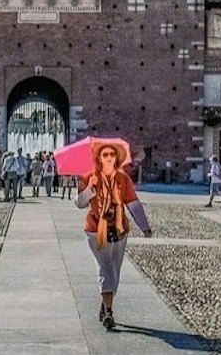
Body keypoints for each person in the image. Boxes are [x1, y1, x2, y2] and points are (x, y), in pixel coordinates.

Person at [77, 140, 152, 331]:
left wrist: (144, 226)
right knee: (105, 268)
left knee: (115, 271)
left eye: (112, 155)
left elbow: (133, 204)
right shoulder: (88, 177)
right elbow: (79, 203)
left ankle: (105, 303)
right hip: (96, 230)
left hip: (119, 231)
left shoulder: (123, 179)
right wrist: (89, 191)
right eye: (105, 155)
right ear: (99, 158)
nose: (109, 158)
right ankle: (109, 311)